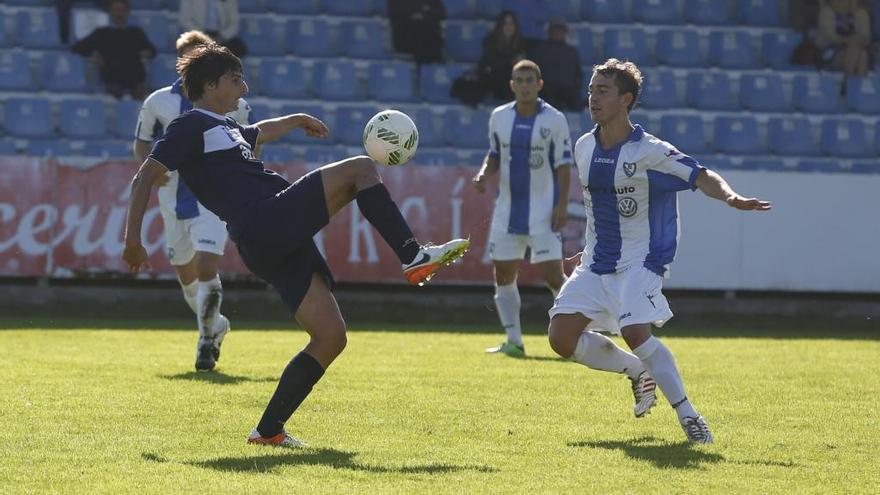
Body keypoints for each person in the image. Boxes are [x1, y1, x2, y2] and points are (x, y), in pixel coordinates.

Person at [122, 43, 470, 447]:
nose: (245, 87)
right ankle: (412, 256)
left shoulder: (228, 128)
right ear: (212, 84)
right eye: (236, 80)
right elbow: (145, 175)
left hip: (266, 240)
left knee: (331, 337)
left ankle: (268, 431)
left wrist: (298, 118)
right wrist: (133, 240)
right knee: (360, 169)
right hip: (264, 220)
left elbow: (260, 131)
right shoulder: (189, 126)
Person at [547, 59, 771, 444]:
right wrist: (586, 250)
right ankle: (638, 371)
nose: (593, 98)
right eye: (591, 90)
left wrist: (730, 197)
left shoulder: (650, 151)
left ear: (625, 100)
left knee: (635, 328)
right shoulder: (584, 147)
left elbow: (700, 175)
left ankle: (689, 416)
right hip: (597, 263)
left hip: (642, 259)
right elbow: (599, 208)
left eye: (602, 91)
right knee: (560, 339)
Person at [133, 31, 251, 371]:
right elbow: (142, 143)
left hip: (211, 197)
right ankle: (215, 326)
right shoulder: (158, 102)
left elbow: (250, 141)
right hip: (172, 197)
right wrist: (151, 170)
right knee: (186, 276)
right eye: (188, 56)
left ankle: (204, 343)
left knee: (205, 266)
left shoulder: (235, 105)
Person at [472, 60, 572, 358]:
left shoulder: (554, 119)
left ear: (539, 84)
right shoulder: (499, 117)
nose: (525, 85)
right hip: (506, 211)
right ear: (512, 85)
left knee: (554, 276)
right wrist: (483, 175)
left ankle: (578, 334)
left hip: (543, 211)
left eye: (530, 80)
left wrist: (562, 205)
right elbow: (494, 154)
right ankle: (514, 340)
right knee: (503, 273)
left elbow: (564, 165)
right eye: (520, 80)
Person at [71, 0, 156, 99]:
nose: (118, 13)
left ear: (127, 12)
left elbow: (152, 51)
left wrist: (146, 53)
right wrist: (93, 55)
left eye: (121, 10)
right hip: (112, 78)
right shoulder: (101, 33)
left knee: (142, 95)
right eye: (115, 10)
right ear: (110, 12)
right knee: (115, 93)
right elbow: (77, 48)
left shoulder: (136, 33)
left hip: (135, 78)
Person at [528, 17, 584, 112]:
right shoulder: (539, 49)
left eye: (561, 30)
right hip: (546, 90)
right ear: (549, 31)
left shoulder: (571, 52)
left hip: (568, 90)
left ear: (565, 32)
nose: (558, 32)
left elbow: (578, 75)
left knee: (578, 103)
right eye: (555, 29)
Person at [478, 11, 529, 102]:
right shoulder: (490, 42)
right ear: (500, 25)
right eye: (505, 23)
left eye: (511, 23)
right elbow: (488, 63)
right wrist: (510, 62)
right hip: (495, 79)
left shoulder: (521, 43)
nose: (509, 26)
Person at [816, 0, 872, 76]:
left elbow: (866, 38)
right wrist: (849, 40)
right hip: (830, 53)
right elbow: (831, 38)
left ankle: (848, 81)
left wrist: (854, 41)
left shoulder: (861, 14)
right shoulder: (827, 13)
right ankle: (852, 83)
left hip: (855, 51)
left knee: (863, 56)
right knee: (857, 51)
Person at [179, 0, 247, 58]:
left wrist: (221, 37)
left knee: (239, 50)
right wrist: (204, 36)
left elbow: (234, 23)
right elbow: (185, 19)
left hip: (221, 36)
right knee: (191, 51)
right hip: (199, 34)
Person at [387, 0, 446, 65]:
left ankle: (431, 68)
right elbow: (400, 14)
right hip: (405, 35)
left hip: (427, 36)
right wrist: (424, 12)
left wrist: (422, 15)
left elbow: (441, 13)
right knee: (423, 30)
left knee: (430, 30)